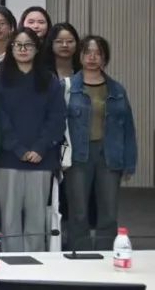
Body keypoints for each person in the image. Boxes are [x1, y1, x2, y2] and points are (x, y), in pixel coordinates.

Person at [0, 27, 65, 253]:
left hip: (41, 159)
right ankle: (11, 262)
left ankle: (36, 264)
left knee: (36, 218)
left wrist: (40, 147)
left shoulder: (50, 81)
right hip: (8, 159)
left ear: (37, 48)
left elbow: (57, 118)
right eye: (18, 45)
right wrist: (17, 148)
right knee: (9, 217)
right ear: (11, 48)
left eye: (28, 45)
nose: (23, 49)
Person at [63, 36, 136, 251]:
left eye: (98, 53)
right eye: (88, 52)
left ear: (105, 58)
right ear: (80, 56)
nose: (92, 57)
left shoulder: (117, 90)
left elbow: (128, 128)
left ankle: (106, 254)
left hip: (109, 155)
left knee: (109, 211)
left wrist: (130, 163)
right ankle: (79, 253)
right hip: (78, 156)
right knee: (78, 211)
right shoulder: (68, 87)